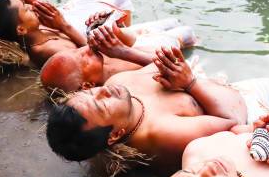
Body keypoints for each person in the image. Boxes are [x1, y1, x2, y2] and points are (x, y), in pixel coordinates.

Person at [46, 46, 250, 169]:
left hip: (208, 81)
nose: (103, 91)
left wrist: (121, 50)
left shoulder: (116, 84)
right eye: (102, 106)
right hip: (244, 101)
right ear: (115, 135)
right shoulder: (163, 132)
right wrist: (190, 84)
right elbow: (234, 120)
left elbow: (155, 63)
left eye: (91, 93)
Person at [0, 0, 136, 66]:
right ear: (21, 29)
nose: (30, 7)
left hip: (69, 22)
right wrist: (64, 26)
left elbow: (48, 14)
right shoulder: (47, 50)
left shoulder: (32, 32)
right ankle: (126, 29)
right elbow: (92, 58)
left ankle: (120, 25)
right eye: (25, 9)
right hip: (80, 31)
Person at [40, 19, 197, 92]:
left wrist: (102, 27)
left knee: (174, 21)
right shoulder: (117, 85)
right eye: (83, 59)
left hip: (139, 43)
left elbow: (123, 39)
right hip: (156, 52)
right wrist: (123, 52)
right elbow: (169, 65)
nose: (85, 49)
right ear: (88, 85)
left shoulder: (95, 58)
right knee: (187, 31)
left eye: (75, 50)